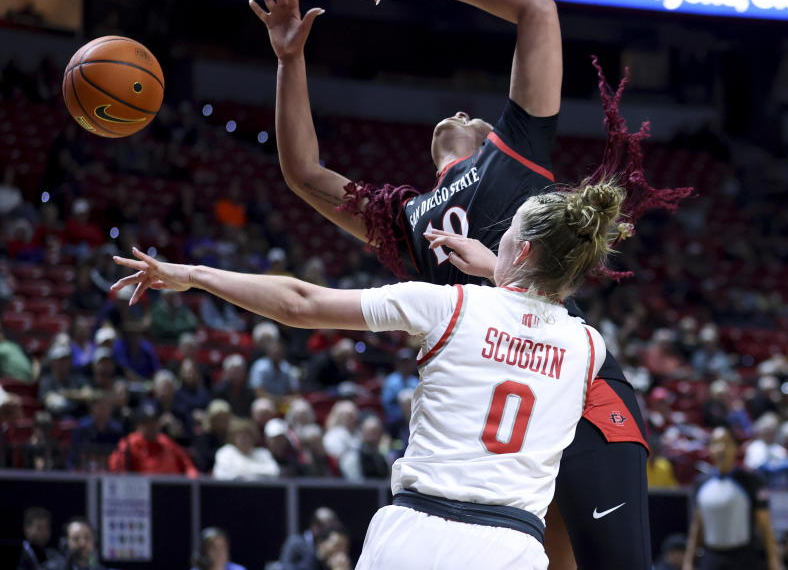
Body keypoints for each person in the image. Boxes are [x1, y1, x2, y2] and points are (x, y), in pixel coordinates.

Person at [250, 0, 691, 566]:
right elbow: (303, 173)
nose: (459, 111)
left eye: (473, 112)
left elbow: (536, 9)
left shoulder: (516, 152)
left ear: (493, 135)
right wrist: (289, 59)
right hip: (504, 419)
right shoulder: (405, 217)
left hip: (578, 388)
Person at [111, 177, 623, 569]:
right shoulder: (590, 347)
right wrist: (497, 269)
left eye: (508, 234)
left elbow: (300, 302)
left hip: (420, 531)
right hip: (512, 547)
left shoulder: (449, 305)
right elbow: (537, 312)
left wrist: (193, 275)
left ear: (525, 250)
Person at [683, 427, 781, 570]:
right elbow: (697, 526)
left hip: (744, 559)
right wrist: (688, 562)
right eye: (716, 443)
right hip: (711, 558)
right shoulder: (701, 483)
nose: (721, 448)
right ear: (709, 448)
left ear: (736, 447)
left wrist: (774, 563)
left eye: (726, 442)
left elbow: (765, 527)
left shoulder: (751, 481)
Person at [108, 402, 198, 477]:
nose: (151, 427)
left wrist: (192, 477)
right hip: (142, 493)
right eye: (147, 423)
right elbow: (117, 469)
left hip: (170, 491)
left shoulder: (165, 441)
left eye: (154, 422)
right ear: (139, 425)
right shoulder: (128, 443)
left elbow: (187, 464)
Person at [212, 418, 280, 480]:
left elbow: (274, 471)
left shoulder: (263, 453)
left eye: (247, 436)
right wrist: (255, 472)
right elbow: (221, 474)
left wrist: (245, 469)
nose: (244, 440)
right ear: (234, 438)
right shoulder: (225, 452)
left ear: (253, 438)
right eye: (241, 436)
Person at [279, 507, 344, 570]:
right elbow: (285, 566)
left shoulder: (328, 545)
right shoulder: (295, 542)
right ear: (315, 526)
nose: (327, 533)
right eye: (324, 529)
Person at [43, 517, 107, 570]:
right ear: (65, 543)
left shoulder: (99, 568)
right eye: (76, 538)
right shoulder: (52, 567)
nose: (82, 543)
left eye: (87, 538)